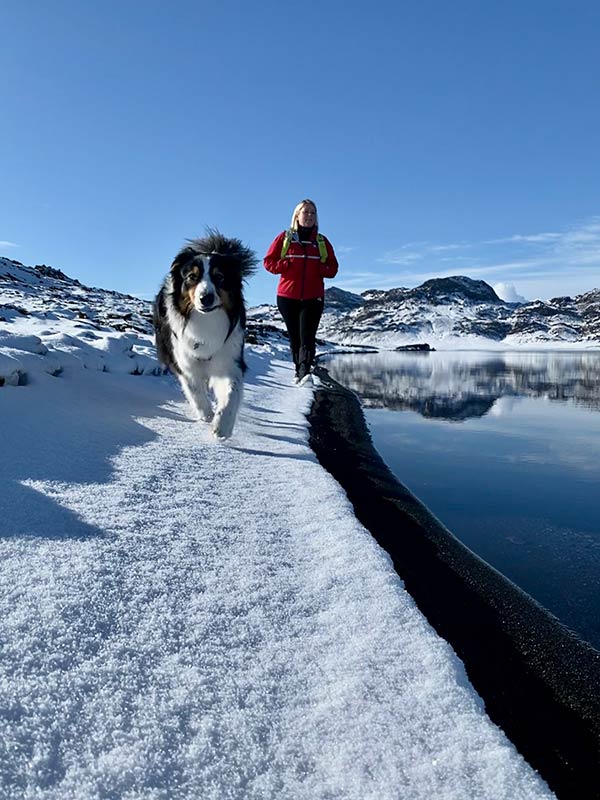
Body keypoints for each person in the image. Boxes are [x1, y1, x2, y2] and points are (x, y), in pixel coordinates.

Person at [263, 199, 339, 383]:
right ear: (297, 215)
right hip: (287, 297)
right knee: (295, 336)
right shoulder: (285, 238)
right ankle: (299, 369)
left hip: (313, 297)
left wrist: (321, 269)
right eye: (306, 212)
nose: (310, 216)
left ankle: (304, 372)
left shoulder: (321, 241)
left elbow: (333, 268)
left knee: (307, 336)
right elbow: (268, 263)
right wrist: (285, 264)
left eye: (313, 212)